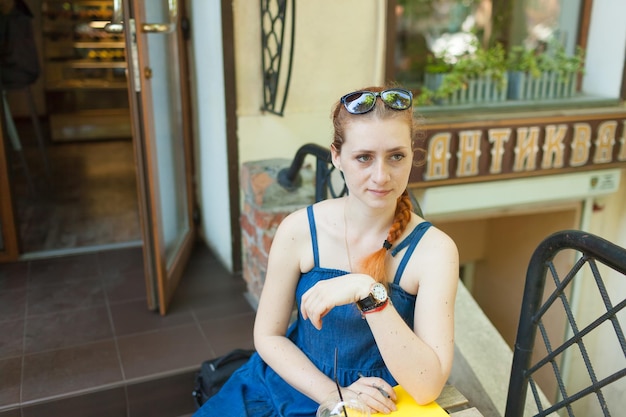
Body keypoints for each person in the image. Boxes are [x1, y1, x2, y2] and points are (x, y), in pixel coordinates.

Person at [193, 86, 459, 416]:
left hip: (375, 404)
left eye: (396, 156)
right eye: (364, 157)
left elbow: (426, 385)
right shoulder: (299, 230)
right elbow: (267, 336)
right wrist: (333, 393)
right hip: (290, 385)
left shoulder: (435, 251)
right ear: (336, 156)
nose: (381, 175)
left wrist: (367, 292)